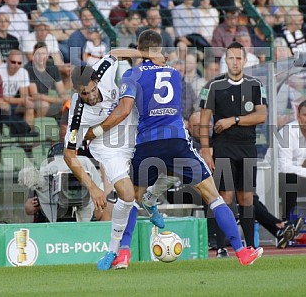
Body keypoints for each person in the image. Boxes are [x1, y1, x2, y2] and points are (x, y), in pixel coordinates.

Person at [85, 30, 264, 269]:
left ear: (140, 49)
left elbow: (125, 109)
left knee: (131, 200)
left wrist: (95, 131)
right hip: (177, 142)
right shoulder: (173, 73)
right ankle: (242, 252)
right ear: (160, 50)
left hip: (148, 144)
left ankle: (124, 252)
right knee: (214, 197)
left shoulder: (132, 74)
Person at [63, 47, 165, 271]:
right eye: (83, 94)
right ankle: (113, 250)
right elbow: (69, 155)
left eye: (91, 90)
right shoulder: (77, 113)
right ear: (75, 91)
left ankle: (150, 200)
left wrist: (147, 55)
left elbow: (116, 52)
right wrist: (93, 187)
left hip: (132, 131)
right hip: (108, 149)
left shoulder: (103, 69)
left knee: (173, 163)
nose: (90, 97)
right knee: (127, 196)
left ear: (95, 80)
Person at [200, 41, 268, 257]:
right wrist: (205, 148)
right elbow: (204, 120)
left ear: (245, 60)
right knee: (224, 196)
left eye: (239, 58)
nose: (235, 62)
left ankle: (250, 246)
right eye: (231, 58)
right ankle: (222, 247)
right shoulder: (213, 85)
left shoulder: (256, 85)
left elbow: (262, 115)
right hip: (223, 147)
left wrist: (234, 120)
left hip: (247, 147)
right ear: (225, 60)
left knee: (246, 197)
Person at [21, 143, 111, 222]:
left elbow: (100, 214)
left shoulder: (86, 178)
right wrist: (36, 204)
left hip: (81, 224)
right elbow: (28, 209)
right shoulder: (43, 181)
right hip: (49, 224)